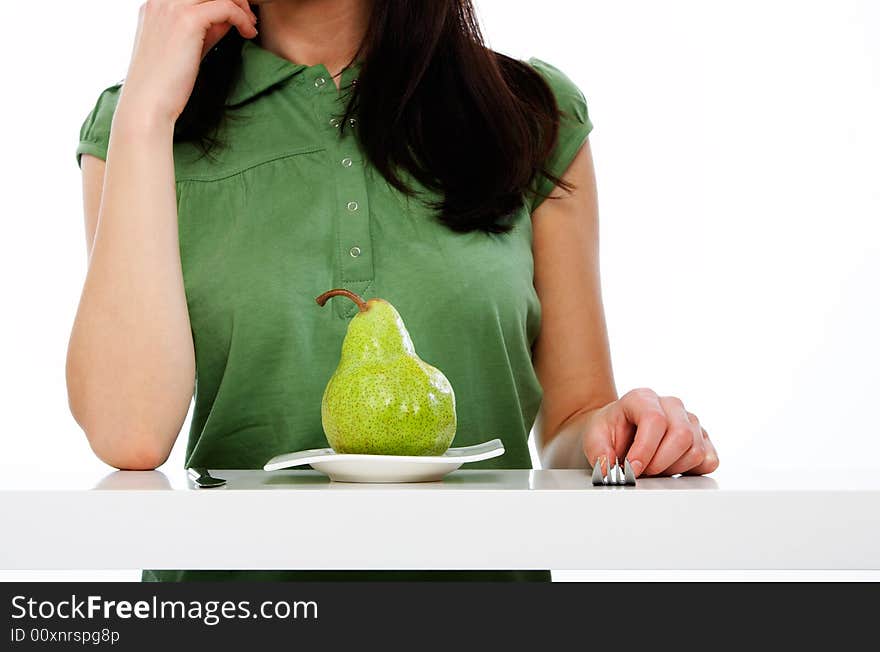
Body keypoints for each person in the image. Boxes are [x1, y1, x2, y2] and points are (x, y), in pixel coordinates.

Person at [67, 0, 719, 582]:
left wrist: (627, 432)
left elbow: (575, 419)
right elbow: (130, 436)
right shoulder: (142, 123)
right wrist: (145, 113)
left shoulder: (532, 114)